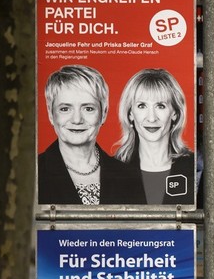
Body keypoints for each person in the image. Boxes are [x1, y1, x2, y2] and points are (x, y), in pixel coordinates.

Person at [38, 64, 145, 205]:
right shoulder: (32, 173)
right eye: (65, 109)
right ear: (51, 114)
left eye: (88, 108)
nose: (77, 119)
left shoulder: (129, 176)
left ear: (104, 113)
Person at [114, 68, 194, 205]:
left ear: (175, 113)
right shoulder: (111, 171)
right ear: (130, 114)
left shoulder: (195, 168)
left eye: (160, 106)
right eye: (141, 106)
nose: (151, 118)